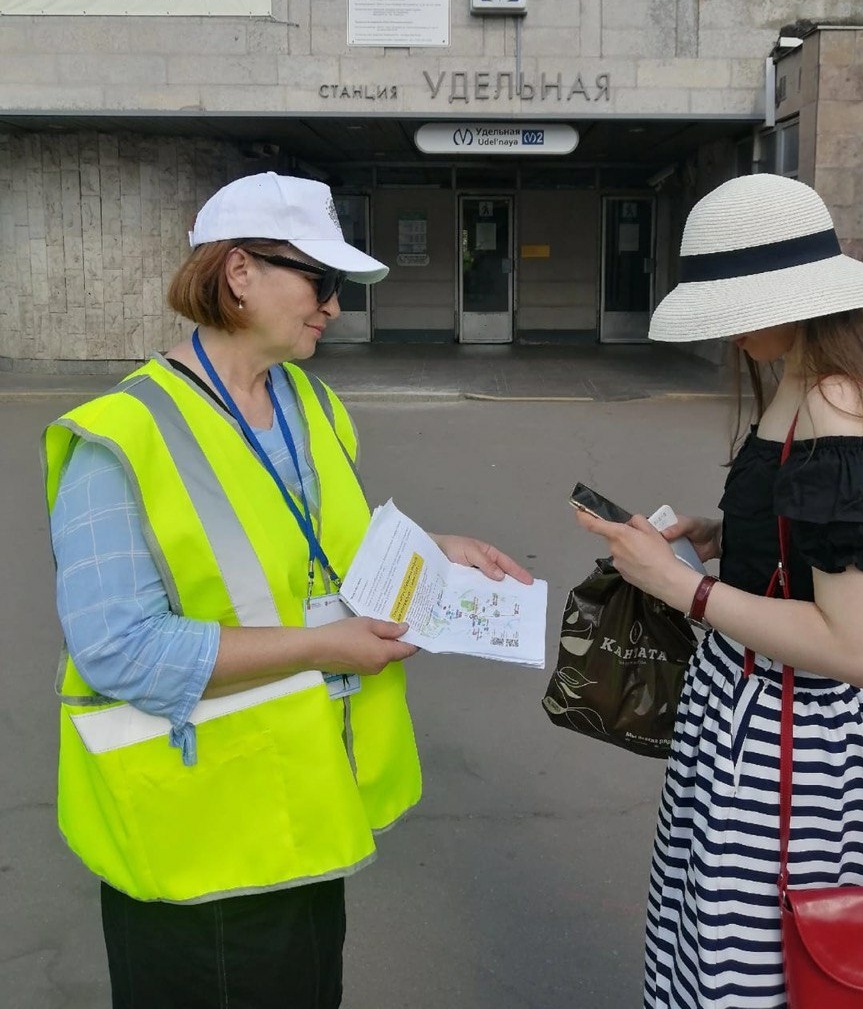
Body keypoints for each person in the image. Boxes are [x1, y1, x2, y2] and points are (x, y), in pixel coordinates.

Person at [43, 170, 532, 1009]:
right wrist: (323, 646)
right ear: (239, 273)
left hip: (305, 812)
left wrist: (434, 550)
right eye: (322, 281)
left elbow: (323, 551)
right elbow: (119, 649)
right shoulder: (119, 438)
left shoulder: (309, 401)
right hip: (194, 839)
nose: (334, 306)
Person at [574, 173, 863, 1009]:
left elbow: (854, 650)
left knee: (769, 970)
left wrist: (679, 588)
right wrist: (721, 535)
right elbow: (803, 546)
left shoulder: (839, 405)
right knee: (723, 953)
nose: (730, 332)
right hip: (747, 727)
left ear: (792, 298)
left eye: (735, 307)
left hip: (790, 749)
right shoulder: (801, 384)